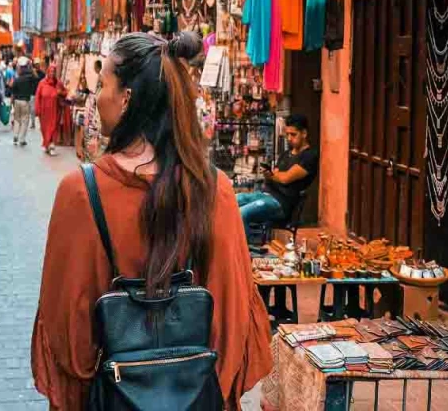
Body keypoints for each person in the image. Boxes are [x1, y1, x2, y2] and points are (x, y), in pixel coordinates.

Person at [31, 32, 271, 410]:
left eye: (103, 83)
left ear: (126, 98)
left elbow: (67, 336)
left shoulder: (81, 193)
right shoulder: (213, 190)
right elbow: (232, 319)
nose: (97, 96)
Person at [237, 113, 318, 235]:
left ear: (304, 134)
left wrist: (274, 176)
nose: (289, 138)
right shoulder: (286, 154)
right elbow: (275, 175)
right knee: (234, 199)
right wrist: (271, 175)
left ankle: (247, 246)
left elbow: (286, 178)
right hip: (266, 194)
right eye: (287, 134)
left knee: (241, 213)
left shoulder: (309, 156)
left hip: (281, 203)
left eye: (293, 134)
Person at [35, 65, 62, 156]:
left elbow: (65, 92)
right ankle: (47, 144)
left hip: (54, 110)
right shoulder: (42, 83)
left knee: (53, 128)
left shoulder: (58, 83)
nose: (52, 73)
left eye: (54, 72)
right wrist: (37, 109)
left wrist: (60, 93)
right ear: (47, 72)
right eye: (50, 71)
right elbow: (37, 97)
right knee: (44, 129)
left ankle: (52, 145)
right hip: (44, 111)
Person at [11, 58, 38, 147]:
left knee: (17, 120)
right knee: (25, 121)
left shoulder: (17, 79)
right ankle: (22, 139)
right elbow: (36, 77)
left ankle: (15, 136)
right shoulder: (30, 78)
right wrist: (31, 67)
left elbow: (12, 90)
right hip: (25, 101)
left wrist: (12, 102)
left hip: (17, 101)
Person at [30, 59, 45, 130]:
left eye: (38, 64)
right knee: (32, 109)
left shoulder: (42, 74)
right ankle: (33, 123)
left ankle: (41, 124)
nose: (37, 65)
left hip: (40, 94)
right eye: (36, 64)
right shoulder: (31, 74)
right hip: (33, 93)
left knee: (40, 109)